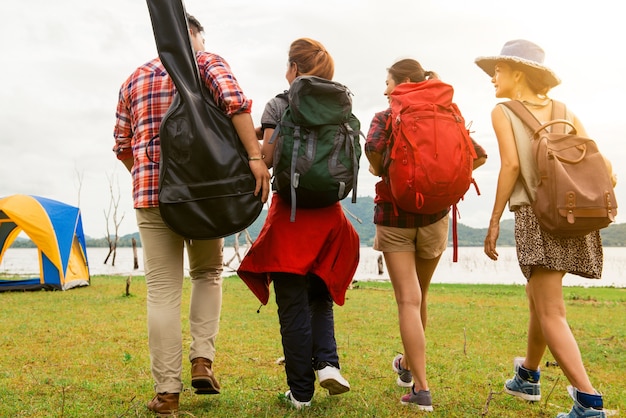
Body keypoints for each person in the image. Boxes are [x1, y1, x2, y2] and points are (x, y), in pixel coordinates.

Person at [113, 14, 270, 416]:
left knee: (162, 291)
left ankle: (167, 394)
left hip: (152, 197)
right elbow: (236, 104)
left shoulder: (134, 79)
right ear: (196, 37)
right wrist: (255, 157)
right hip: (205, 196)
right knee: (207, 273)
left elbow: (122, 144)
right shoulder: (206, 62)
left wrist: (151, 181)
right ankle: (202, 360)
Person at [475, 39, 613, 418]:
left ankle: (588, 402)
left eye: (498, 71)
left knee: (550, 309)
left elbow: (511, 167)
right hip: (573, 215)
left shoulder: (503, 112)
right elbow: (601, 162)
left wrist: (493, 222)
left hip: (538, 217)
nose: (493, 79)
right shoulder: (565, 111)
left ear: (518, 73)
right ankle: (528, 376)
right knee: (539, 298)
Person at [237, 38, 359, 409]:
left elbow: (271, 158)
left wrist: (255, 149)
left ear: (293, 68)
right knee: (319, 293)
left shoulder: (281, 102)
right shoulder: (339, 101)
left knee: (291, 302)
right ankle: (328, 363)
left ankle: (300, 392)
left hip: (291, 215)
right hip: (329, 215)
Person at [365, 58, 487, 411]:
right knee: (421, 295)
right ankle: (406, 363)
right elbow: (476, 156)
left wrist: (390, 171)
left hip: (394, 215)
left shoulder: (387, 115)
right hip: (436, 217)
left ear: (402, 81)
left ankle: (420, 387)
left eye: (387, 82)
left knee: (407, 299)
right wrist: (440, 183)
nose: (385, 89)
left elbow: (373, 152)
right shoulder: (447, 111)